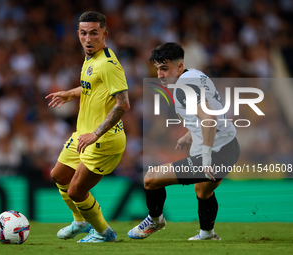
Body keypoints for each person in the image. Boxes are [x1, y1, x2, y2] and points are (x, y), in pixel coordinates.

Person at [128, 42, 239, 240]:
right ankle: (207, 234)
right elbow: (210, 110)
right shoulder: (197, 74)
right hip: (230, 146)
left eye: (165, 69)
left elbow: (209, 118)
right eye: (157, 69)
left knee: (150, 179)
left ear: (179, 66)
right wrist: (189, 134)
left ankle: (155, 220)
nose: (160, 75)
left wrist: (205, 158)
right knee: (203, 191)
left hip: (214, 153)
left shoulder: (182, 87)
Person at [45, 11, 130, 243]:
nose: (88, 38)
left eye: (94, 33)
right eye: (84, 33)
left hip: (104, 139)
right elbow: (91, 86)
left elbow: (123, 104)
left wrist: (95, 133)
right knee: (59, 175)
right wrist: (71, 94)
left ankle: (104, 233)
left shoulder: (109, 64)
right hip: (84, 134)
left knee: (76, 191)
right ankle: (80, 221)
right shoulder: (89, 58)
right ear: (78, 34)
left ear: (105, 34)